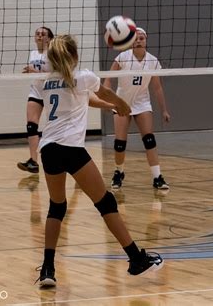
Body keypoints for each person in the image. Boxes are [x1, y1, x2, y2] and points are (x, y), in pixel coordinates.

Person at [32, 35, 164, 288]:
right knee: (105, 202)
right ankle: (136, 258)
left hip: (48, 149)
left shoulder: (45, 81)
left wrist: (105, 106)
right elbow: (105, 92)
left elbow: (84, 97)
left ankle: (48, 268)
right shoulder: (84, 76)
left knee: (56, 207)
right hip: (71, 149)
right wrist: (121, 105)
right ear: (73, 55)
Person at [103, 27, 171, 190]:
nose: (138, 41)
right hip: (122, 102)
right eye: (135, 39)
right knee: (120, 143)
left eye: (141, 38)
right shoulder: (123, 57)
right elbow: (107, 80)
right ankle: (119, 172)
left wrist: (164, 110)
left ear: (146, 40)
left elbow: (157, 88)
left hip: (142, 103)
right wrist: (110, 101)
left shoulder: (152, 61)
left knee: (149, 140)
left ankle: (157, 177)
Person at [17, 26, 54, 173]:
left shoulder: (52, 54)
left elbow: (55, 74)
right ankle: (33, 162)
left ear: (49, 38)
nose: (39, 36)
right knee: (31, 126)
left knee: (54, 126)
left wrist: (35, 71)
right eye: (37, 34)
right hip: (36, 92)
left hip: (51, 92)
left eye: (43, 34)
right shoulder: (32, 53)